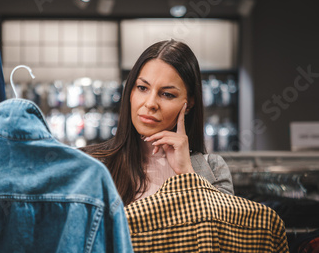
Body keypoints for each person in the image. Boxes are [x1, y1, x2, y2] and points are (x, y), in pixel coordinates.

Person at [82, 39, 233, 206]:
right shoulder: (91, 164)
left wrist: (187, 173)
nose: (150, 103)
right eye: (142, 88)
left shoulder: (213, 169)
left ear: (188, 104)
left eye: (167, 94)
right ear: (130, 91)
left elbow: (220, 230)